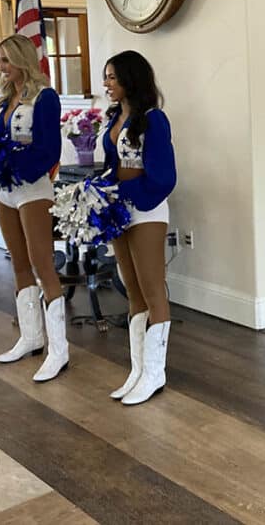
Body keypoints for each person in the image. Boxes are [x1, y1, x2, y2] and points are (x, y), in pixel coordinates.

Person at [0, 34, 69, 383]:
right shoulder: (7, 98)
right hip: (5, 192)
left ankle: (59, 351)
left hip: (33, 190)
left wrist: (17, 169)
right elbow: (1, 143)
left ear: (22, 59)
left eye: (5, 60)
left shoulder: (45, 97)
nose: (1, 67)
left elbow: (49, 149)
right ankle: (31, 336)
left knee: (43, 266)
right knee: (19, 265)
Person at [101, 50, 177, 406]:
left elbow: (164, 178)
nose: (107, 84)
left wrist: (124, 191)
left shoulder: (154, 120)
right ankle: (137, 369)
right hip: (118, 211)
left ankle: (155, 373)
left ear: (131, 79)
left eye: (113, 77)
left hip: (146, 211)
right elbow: (112, 165)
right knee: (130, 289)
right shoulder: (114, 118)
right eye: (106, 77)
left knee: (152, 289)